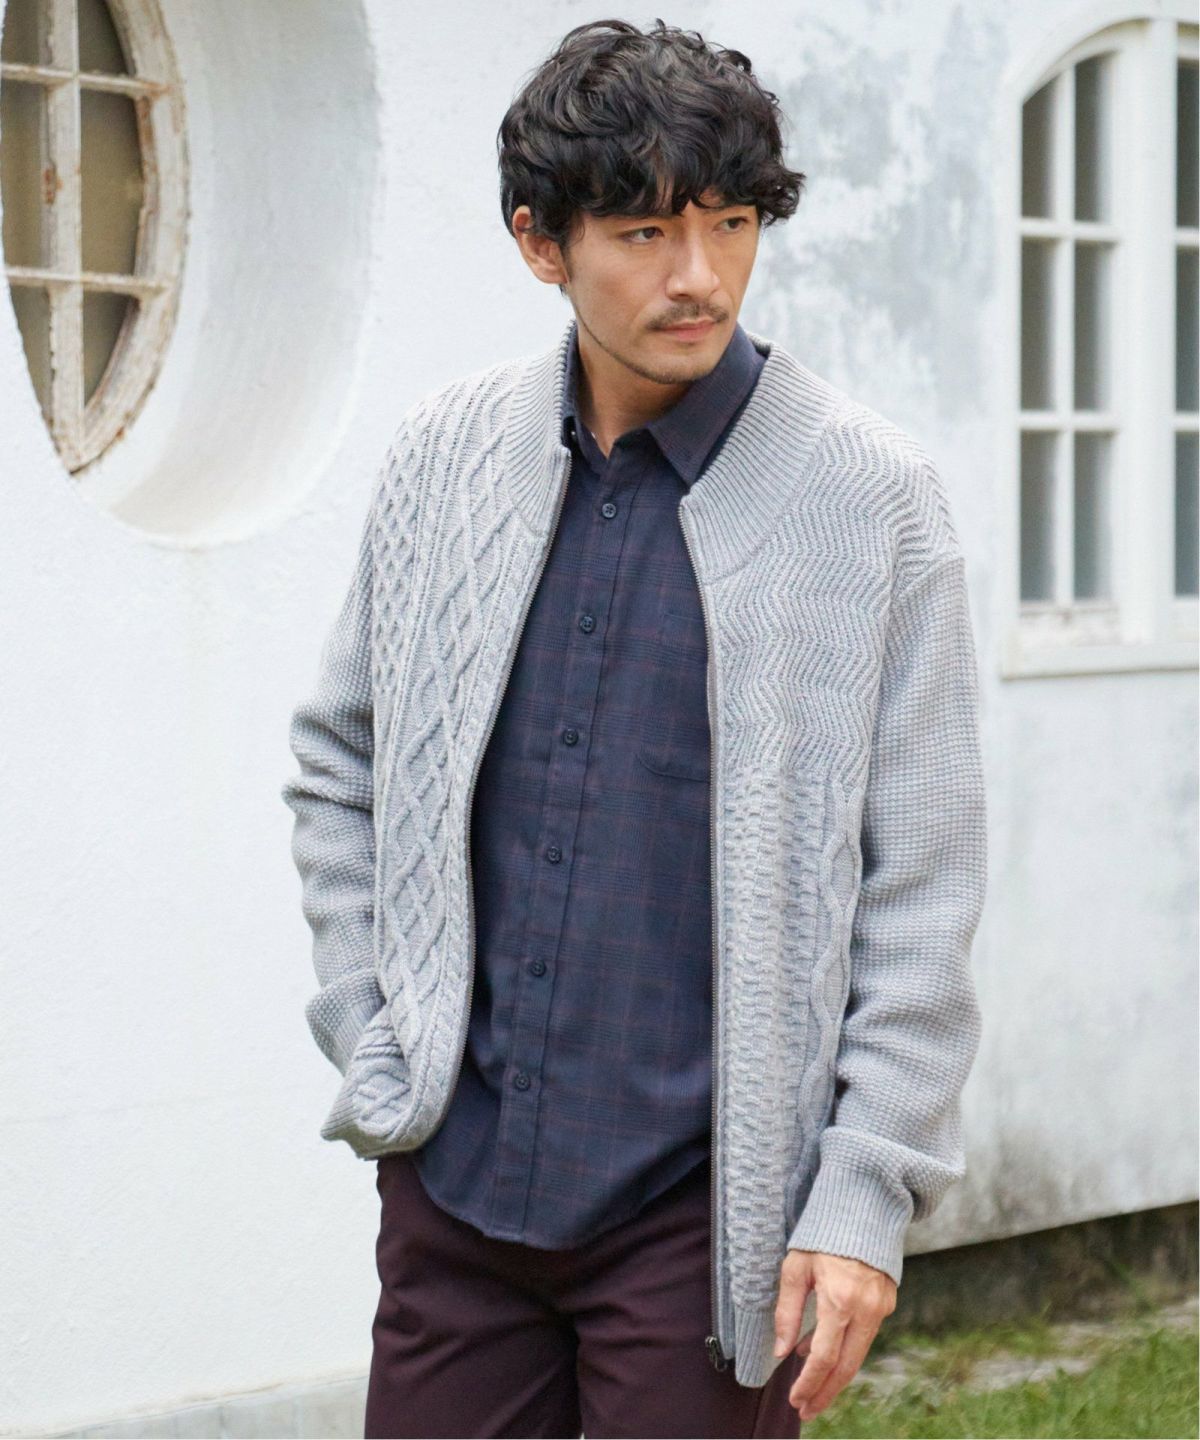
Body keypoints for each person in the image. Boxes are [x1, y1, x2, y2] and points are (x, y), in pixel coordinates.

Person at [281, 17, 987, 1440]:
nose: (700, 275)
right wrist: (372, 1030)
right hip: (457, 1191)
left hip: (705, 1222)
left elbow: (923, 884)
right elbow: (341, 761)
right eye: (647, 231)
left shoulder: (874, 504)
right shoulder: (441, 459)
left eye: (732, 223)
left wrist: (865, 1186)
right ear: (541, 243)